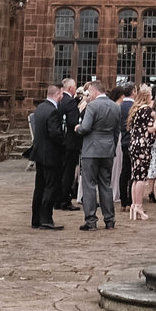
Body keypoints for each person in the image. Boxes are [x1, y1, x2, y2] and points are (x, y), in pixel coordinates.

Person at [75, 79, 121, 230]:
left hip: (91, 149)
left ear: (94, 91)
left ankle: (91, 221)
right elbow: (116, 131)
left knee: (89, 185)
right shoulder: (115, 106)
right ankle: (109, 219)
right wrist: (112, 147)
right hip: (107, 148)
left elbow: (86, 127)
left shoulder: (92, 106)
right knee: (105, 184)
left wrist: (78, 128)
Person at [124, 81, 156, 222]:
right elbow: (150, 129)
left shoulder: (136, 109)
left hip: (134, 144)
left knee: (135, 176)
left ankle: (135, 205)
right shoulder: (146, 110)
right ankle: (138, 205)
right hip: (143, 146)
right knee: (141, 177)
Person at [28, 82, 64, 230]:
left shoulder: (40, 108)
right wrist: (63, 143)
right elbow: (54, 133)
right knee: (50, 186)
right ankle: (46, 218)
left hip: (39, 153)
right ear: (56, 94)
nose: (62, 96)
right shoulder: (53, 111)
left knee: (40, 187)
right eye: (61, 94)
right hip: (50, 154)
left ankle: (36, 218)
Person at [51, 78, 82, 210]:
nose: (76, 88)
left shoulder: (61, 100)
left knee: (61, 171)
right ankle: (65, 200)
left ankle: (58, 199)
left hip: (62, 141)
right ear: (71, 88)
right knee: (68, 173)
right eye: (75, 86)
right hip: (70, 142)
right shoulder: (70, 101)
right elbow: (73, 121)